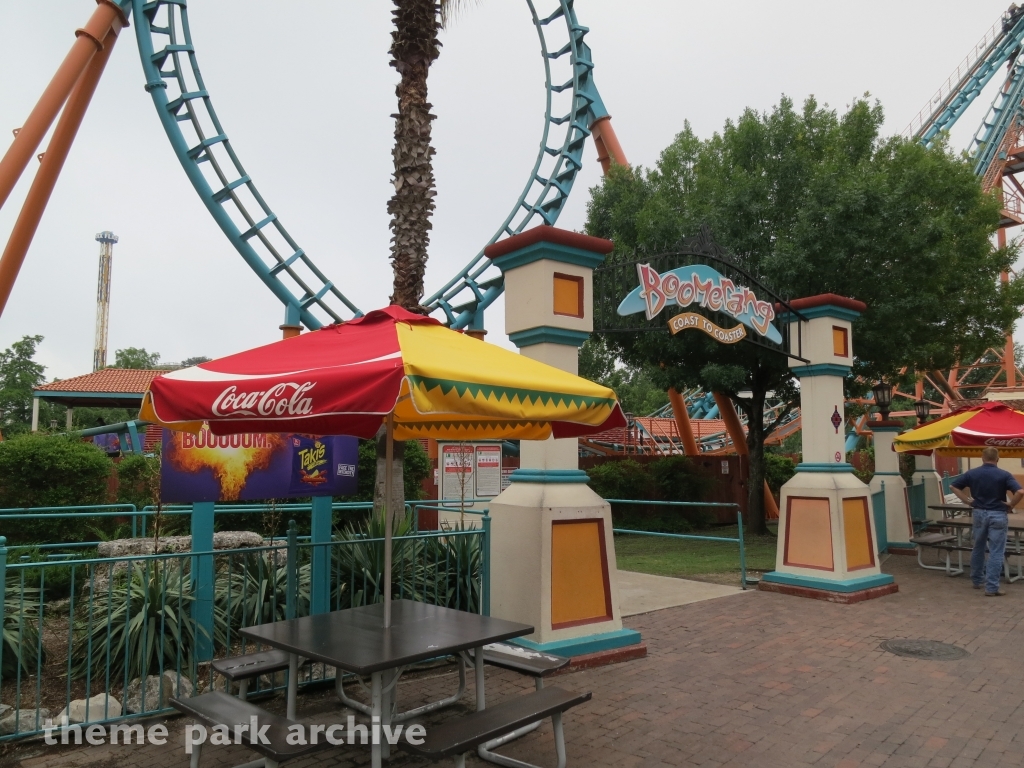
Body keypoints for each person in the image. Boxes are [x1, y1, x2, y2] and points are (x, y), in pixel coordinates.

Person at [950, 446, 1024, 596]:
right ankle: (991, 587)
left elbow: (953, 486)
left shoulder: (972, 473)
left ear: (982, 458)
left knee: (978, 547)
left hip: (978, 513)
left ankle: (977, 580)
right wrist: (1011, 505)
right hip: (997, 513)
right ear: (997, 459)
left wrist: (967, 501)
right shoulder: (1004, 475)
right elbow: (1020, 491)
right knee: (996, 551)